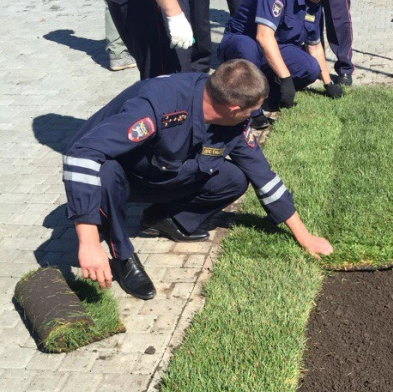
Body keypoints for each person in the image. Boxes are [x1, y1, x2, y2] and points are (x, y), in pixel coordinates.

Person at [62, 59, 333, 300]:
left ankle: (163, 219)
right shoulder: (158, 106)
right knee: (106, 173)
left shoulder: (230, 118)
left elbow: (263, 176)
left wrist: (305, 236)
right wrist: (87, 243)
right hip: (116, 170)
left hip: (159, 170)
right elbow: (82, 155)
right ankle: (121, 255)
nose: (252, 117)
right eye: (250, 112)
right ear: (233, 108)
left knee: (235, 178)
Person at [218, 0, 344, 129]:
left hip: (274, 48)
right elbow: (263, 36)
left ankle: (269, 93)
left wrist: (328, 83)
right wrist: (286, 78)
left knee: (311, 68)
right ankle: (252, 112)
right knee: (247, 48)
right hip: (244, 42)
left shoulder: (313, 3)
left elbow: (314, 46)